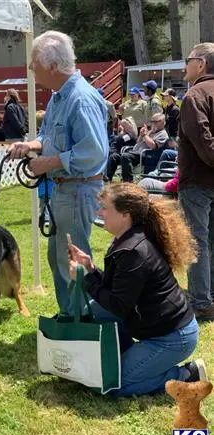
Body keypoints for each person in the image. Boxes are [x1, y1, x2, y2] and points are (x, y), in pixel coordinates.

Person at [68, 183, 204, 397]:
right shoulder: (127, 240)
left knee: (112, 385)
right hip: (156, 326)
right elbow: (118, 289)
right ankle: (125, 354)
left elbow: (118, 305)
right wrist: (90, 269)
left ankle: (185, 375)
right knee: (94, 311)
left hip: (172, 338)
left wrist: (85, 280)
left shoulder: (134, 251)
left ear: (125, 215)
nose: (99, 212)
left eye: (104, 208)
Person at [8, 30, 108, 315]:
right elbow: (49, 137)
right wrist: (31, 145)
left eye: (34, 61)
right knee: (58, 257)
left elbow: (93, 152)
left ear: (52, 66)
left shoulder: (81, 99)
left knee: (72, 260)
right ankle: (70, 314)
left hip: (77, 189)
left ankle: (81, 319)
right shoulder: (59, 98)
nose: (30, 67)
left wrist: (48, 163)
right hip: (64, 190)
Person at [178, 42, 214, 321]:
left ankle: (202, 302)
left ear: (201, 64)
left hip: (198, 182)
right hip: (205, 180)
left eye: (189, 59)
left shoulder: (195, 95)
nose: (185, 64)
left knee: (198, 241)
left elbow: (203, 141)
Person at [107, 113, 168, 182]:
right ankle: (107, 179)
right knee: (114, 157)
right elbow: (138, 142)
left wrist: (145, 135)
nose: (152, 124)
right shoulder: (150, 132)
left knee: (125, 156)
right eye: (152, 121)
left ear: (162, 122)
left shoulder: (163, 134)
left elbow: (153, 146)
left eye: (155, 122)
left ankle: (128, 181)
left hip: (148, 155)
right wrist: (141, 135)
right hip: (136, 152)